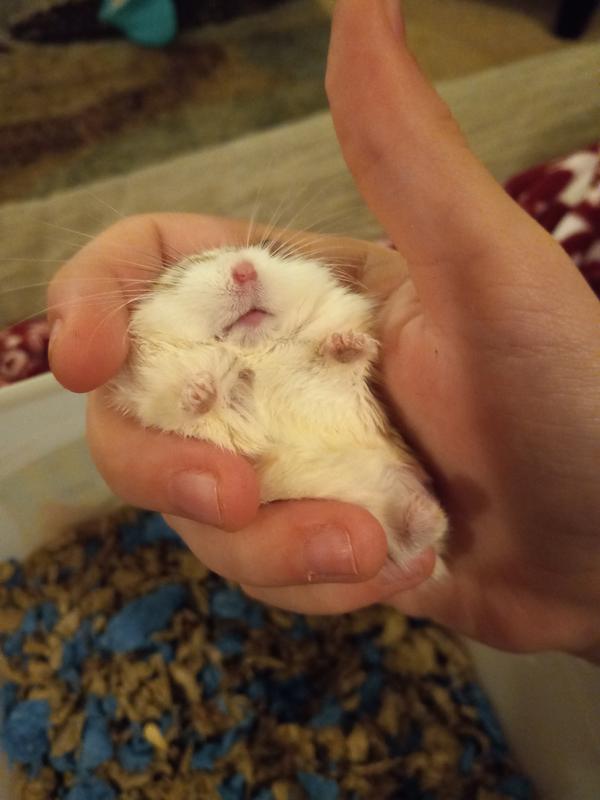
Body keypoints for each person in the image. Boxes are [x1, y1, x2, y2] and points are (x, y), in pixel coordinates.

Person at [47, 0, 600, 663]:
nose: (246, 270)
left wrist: (341, 350)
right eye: (192, 273)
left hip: (331, 413)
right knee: (216, 438)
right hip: (265, 447)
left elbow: (349, 325)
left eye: (262, 254)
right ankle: (398, 518)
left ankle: (404, 515)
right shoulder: (155, 353)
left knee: (356, 439)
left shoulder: (332, 306)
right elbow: (152, 396)